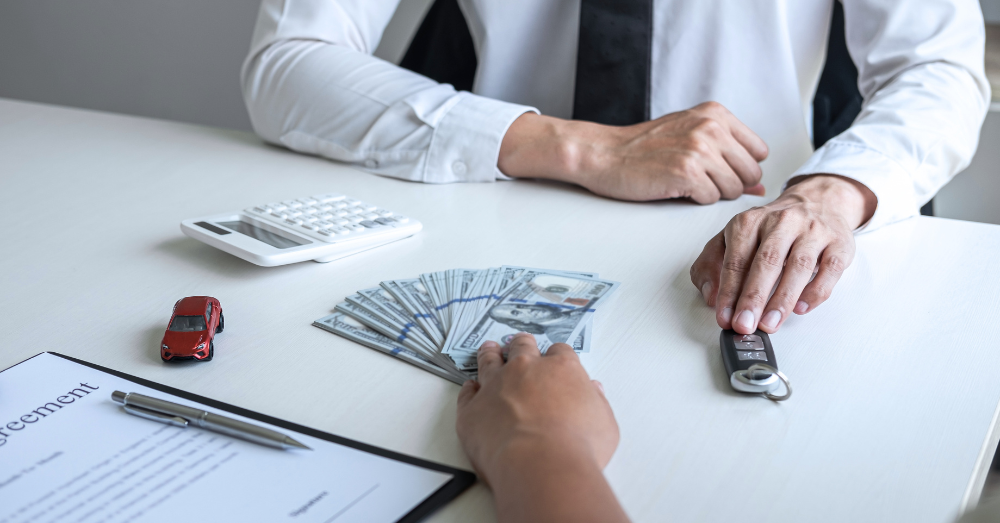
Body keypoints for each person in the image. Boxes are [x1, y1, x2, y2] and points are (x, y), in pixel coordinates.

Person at [242, 1, 989, 335]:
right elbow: (286, 65)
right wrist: (585, 148)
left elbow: (938, 66)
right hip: (496, 236)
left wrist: (830, 194)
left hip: (753, 249)